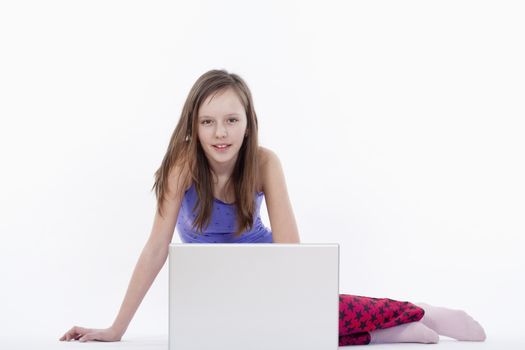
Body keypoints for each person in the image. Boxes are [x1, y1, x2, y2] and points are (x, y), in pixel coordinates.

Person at [59, 69, 487, 345]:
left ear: (248, 124)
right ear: (193, 125)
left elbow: (291, 253)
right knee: (249, 336)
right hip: (213, 291)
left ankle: (421, 312)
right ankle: (383, 334)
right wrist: (116, 329)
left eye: (231, 120)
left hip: (267, 272)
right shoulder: (181, 167)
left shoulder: (265, 162)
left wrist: (301, 301)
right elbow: (155, 249)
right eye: (207, 121)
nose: (220, 133)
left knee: (296, 319)